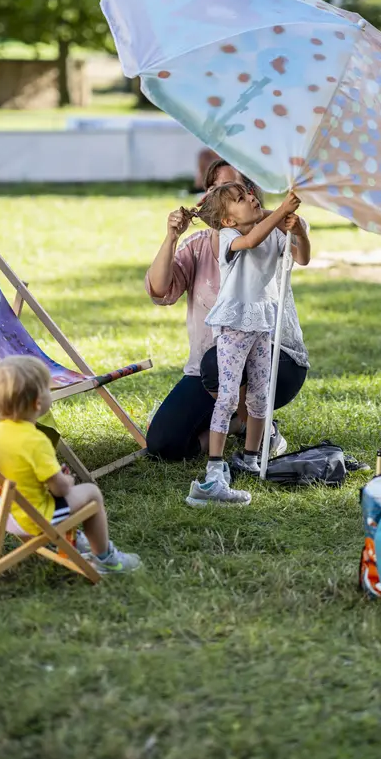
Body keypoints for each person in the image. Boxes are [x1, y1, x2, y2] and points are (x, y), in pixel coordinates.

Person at [145, 160, 310, 462]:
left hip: (274, 357)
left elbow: (292, 252)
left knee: (216, 364)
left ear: (253, 193)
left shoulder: (271, 235)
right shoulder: (201, 245)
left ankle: (257, 429)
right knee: (163, 444)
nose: (229, 195)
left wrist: (287, 217)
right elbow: (159, 289)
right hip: (212, 367)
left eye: (239, 189)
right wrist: (172, 237)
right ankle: (233, 423)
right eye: (217, 190)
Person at [181, 182, 311, 507]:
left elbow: (303, 257)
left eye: (249, 194)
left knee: (259, 395)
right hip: (235, 326)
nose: (251, 198)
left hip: (263, 322)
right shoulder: (229, 237)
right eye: (241, 199)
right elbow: (251, 239)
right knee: (227, 396)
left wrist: (300, 230)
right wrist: (281, 210)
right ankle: (213, 472)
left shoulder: (275, 231)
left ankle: (250, 458)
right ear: (227, 221)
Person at [0, 356, 141, 574]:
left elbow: (20, 475)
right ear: (38, 402)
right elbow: (60, 489)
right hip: (37, 518)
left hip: (9, 514)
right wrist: (67, 479)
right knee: (91, 492)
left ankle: (77, 540)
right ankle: (106, 558)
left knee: (71, 494)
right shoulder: (34, 440)